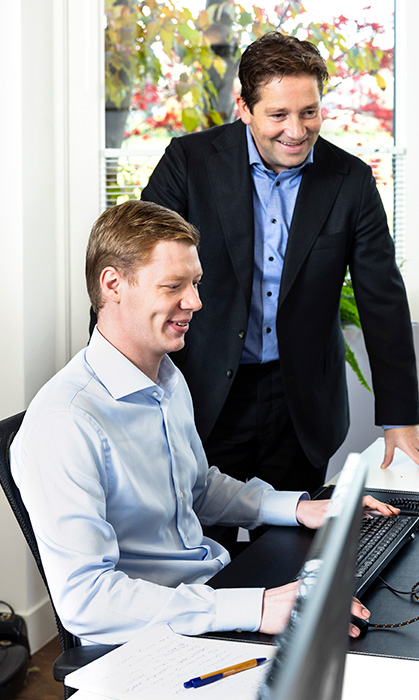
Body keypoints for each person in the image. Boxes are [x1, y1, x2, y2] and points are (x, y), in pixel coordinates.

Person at [10, 200, 395, 645]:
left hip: (208, 595)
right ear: (113, 284)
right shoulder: (66, 423)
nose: (195, 302)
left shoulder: (167, 379)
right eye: (174, 285)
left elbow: (197, 489)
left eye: (195, 283)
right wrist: (257, 607)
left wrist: (298, 508)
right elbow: (87, 601)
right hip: (149, 640)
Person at [141, 31, 419, 494]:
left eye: (309, 112)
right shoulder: (188, 163)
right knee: (204, 550)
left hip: (300, 403)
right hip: (204, 390)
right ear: (244, 108)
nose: (297, 129)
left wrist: (401, 417)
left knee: (290, 548)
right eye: (278, 114)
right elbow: (136, 266)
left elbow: (382, 298)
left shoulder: (351, 181)